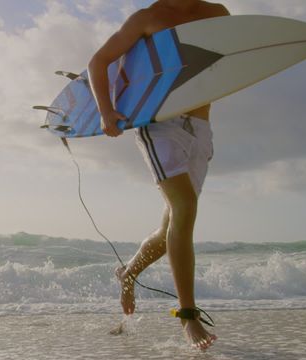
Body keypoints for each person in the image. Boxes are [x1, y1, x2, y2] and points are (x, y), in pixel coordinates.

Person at [87, 0, 230, 350]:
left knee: (171, 227)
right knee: (185, 209)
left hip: (201, 126)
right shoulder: (148, 18)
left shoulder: (218, 13)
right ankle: (188, 315)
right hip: (159, 124)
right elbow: (99, 61)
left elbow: (228, 59)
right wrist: (106, 112)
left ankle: (128, 272)